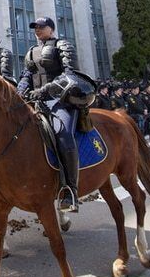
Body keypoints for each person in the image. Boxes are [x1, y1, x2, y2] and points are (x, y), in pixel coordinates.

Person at [17, 17, 95, 212]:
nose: (37, 30)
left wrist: (44, 91)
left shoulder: (63, 45)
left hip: (60, 100)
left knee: (63, 134)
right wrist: (18, 92)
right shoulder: (31, 51)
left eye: (41, 27)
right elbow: (26, 76)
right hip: (35, 100)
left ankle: (70, 190)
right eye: (35, 27)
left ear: (51, 29)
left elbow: (69, 74)